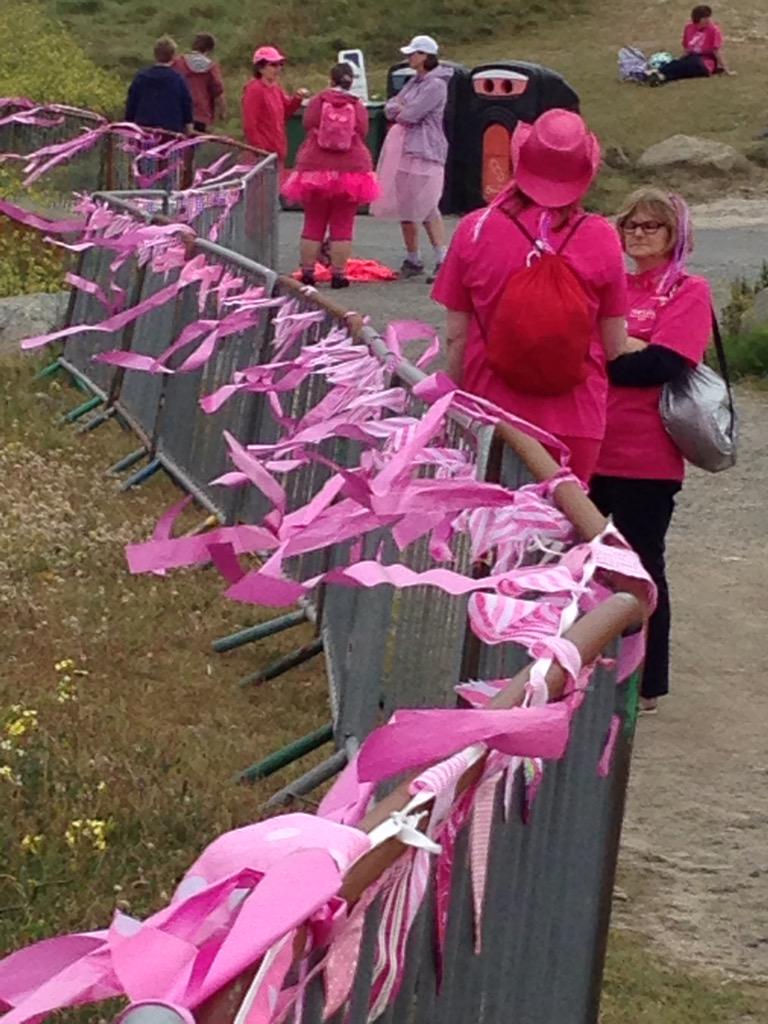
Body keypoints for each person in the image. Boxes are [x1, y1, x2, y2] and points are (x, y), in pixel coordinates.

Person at [431, 109, 628, 483]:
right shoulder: (600, 235)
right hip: (576, 420)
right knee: (561, 533)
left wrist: (453, 403)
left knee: (490, 532)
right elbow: (614, 344)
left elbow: (457, 335)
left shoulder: (476, 229)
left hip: (491, 413)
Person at [590, 188, 713, 715]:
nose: (637, 235)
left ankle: (647, 680)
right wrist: (623, 349)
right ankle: (586, 663)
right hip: (593, 444)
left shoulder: (688, 288)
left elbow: (662, 364)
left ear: (674, 235)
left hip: (647, 456)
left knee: (640, 567)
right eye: (630, 226)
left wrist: (606, 354)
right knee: (584, 564)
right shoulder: (610, 285)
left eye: (651, 227)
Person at [282, 63, 378, 289]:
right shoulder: (356, 104)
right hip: (352, 169)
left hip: (315, 166)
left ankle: (307, 272)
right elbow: (363, 131)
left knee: (313, 222)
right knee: (343, 225)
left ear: (330, 79)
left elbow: (307, 124)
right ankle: (339, 275)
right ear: (351, 81)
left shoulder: (318, 101)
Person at [374, 34, 452, 282]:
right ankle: (413, 257)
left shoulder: (436, 85)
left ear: (425, 56)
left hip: (426, 149)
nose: (409, 57)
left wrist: (399, 108)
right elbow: (392, 107)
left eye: (413, 53)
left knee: (428, 205)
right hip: (407, 148)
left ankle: (443, 258)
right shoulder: (415, 82)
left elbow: (410, 113)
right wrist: (399, 107)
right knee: (407, 203)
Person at [241, 46, 308, 169]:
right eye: (273, 65)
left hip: (278, 151)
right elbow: (250, 124)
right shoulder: (254, 90)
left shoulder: (276, 88)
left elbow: (285, 113)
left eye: (280, 64)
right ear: (261, 68)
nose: (278, 69)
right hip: (264, 155)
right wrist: (260, 151)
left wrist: (297, 99)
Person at [125, 36, 193, 135]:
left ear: (155, 54)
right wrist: (188, 126)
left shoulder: (141, 77)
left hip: (143, 131)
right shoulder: (178, 80)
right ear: (173, 56)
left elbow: (131, 103)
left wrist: (129, 123)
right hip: (170, 133)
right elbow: (186, 105)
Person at [647, 5, 729, 85]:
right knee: (679, 65)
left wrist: (725, 68)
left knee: (687, 65)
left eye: (708, 17)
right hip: (691, 58)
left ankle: (660, 75)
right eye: (705, 18)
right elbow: (687, 49)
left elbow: (716, 51)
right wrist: (680, 59)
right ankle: (661, 75)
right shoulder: (689, 28)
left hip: (705, 63)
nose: (708, 20)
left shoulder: (713, 30)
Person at [172, 33, 226, 133]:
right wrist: (222, 111)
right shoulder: (211, 67)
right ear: (209, 49)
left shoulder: (178, 62)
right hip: (201, 114)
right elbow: (218, 92)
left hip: (179, 112)